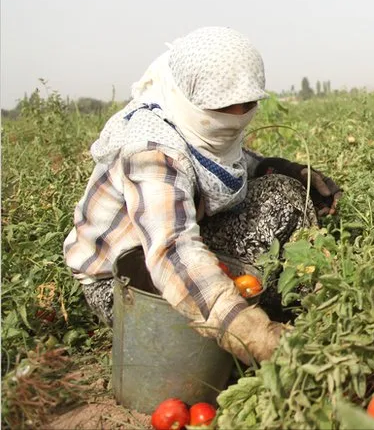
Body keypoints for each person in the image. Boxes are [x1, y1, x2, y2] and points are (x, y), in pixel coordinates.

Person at [63, 26, 342, 365]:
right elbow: (173, 251)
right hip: (126, 284)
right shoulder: (150, 149)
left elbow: (224, 159)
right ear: (191, 98)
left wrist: (280, 166)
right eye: (224, 111)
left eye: (247, 106)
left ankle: (306, 308)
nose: (236, 121)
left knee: (283, 193)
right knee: (214, 305)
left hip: (169, 247)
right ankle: (255, 318)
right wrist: (252, 334)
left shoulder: (192, 121)